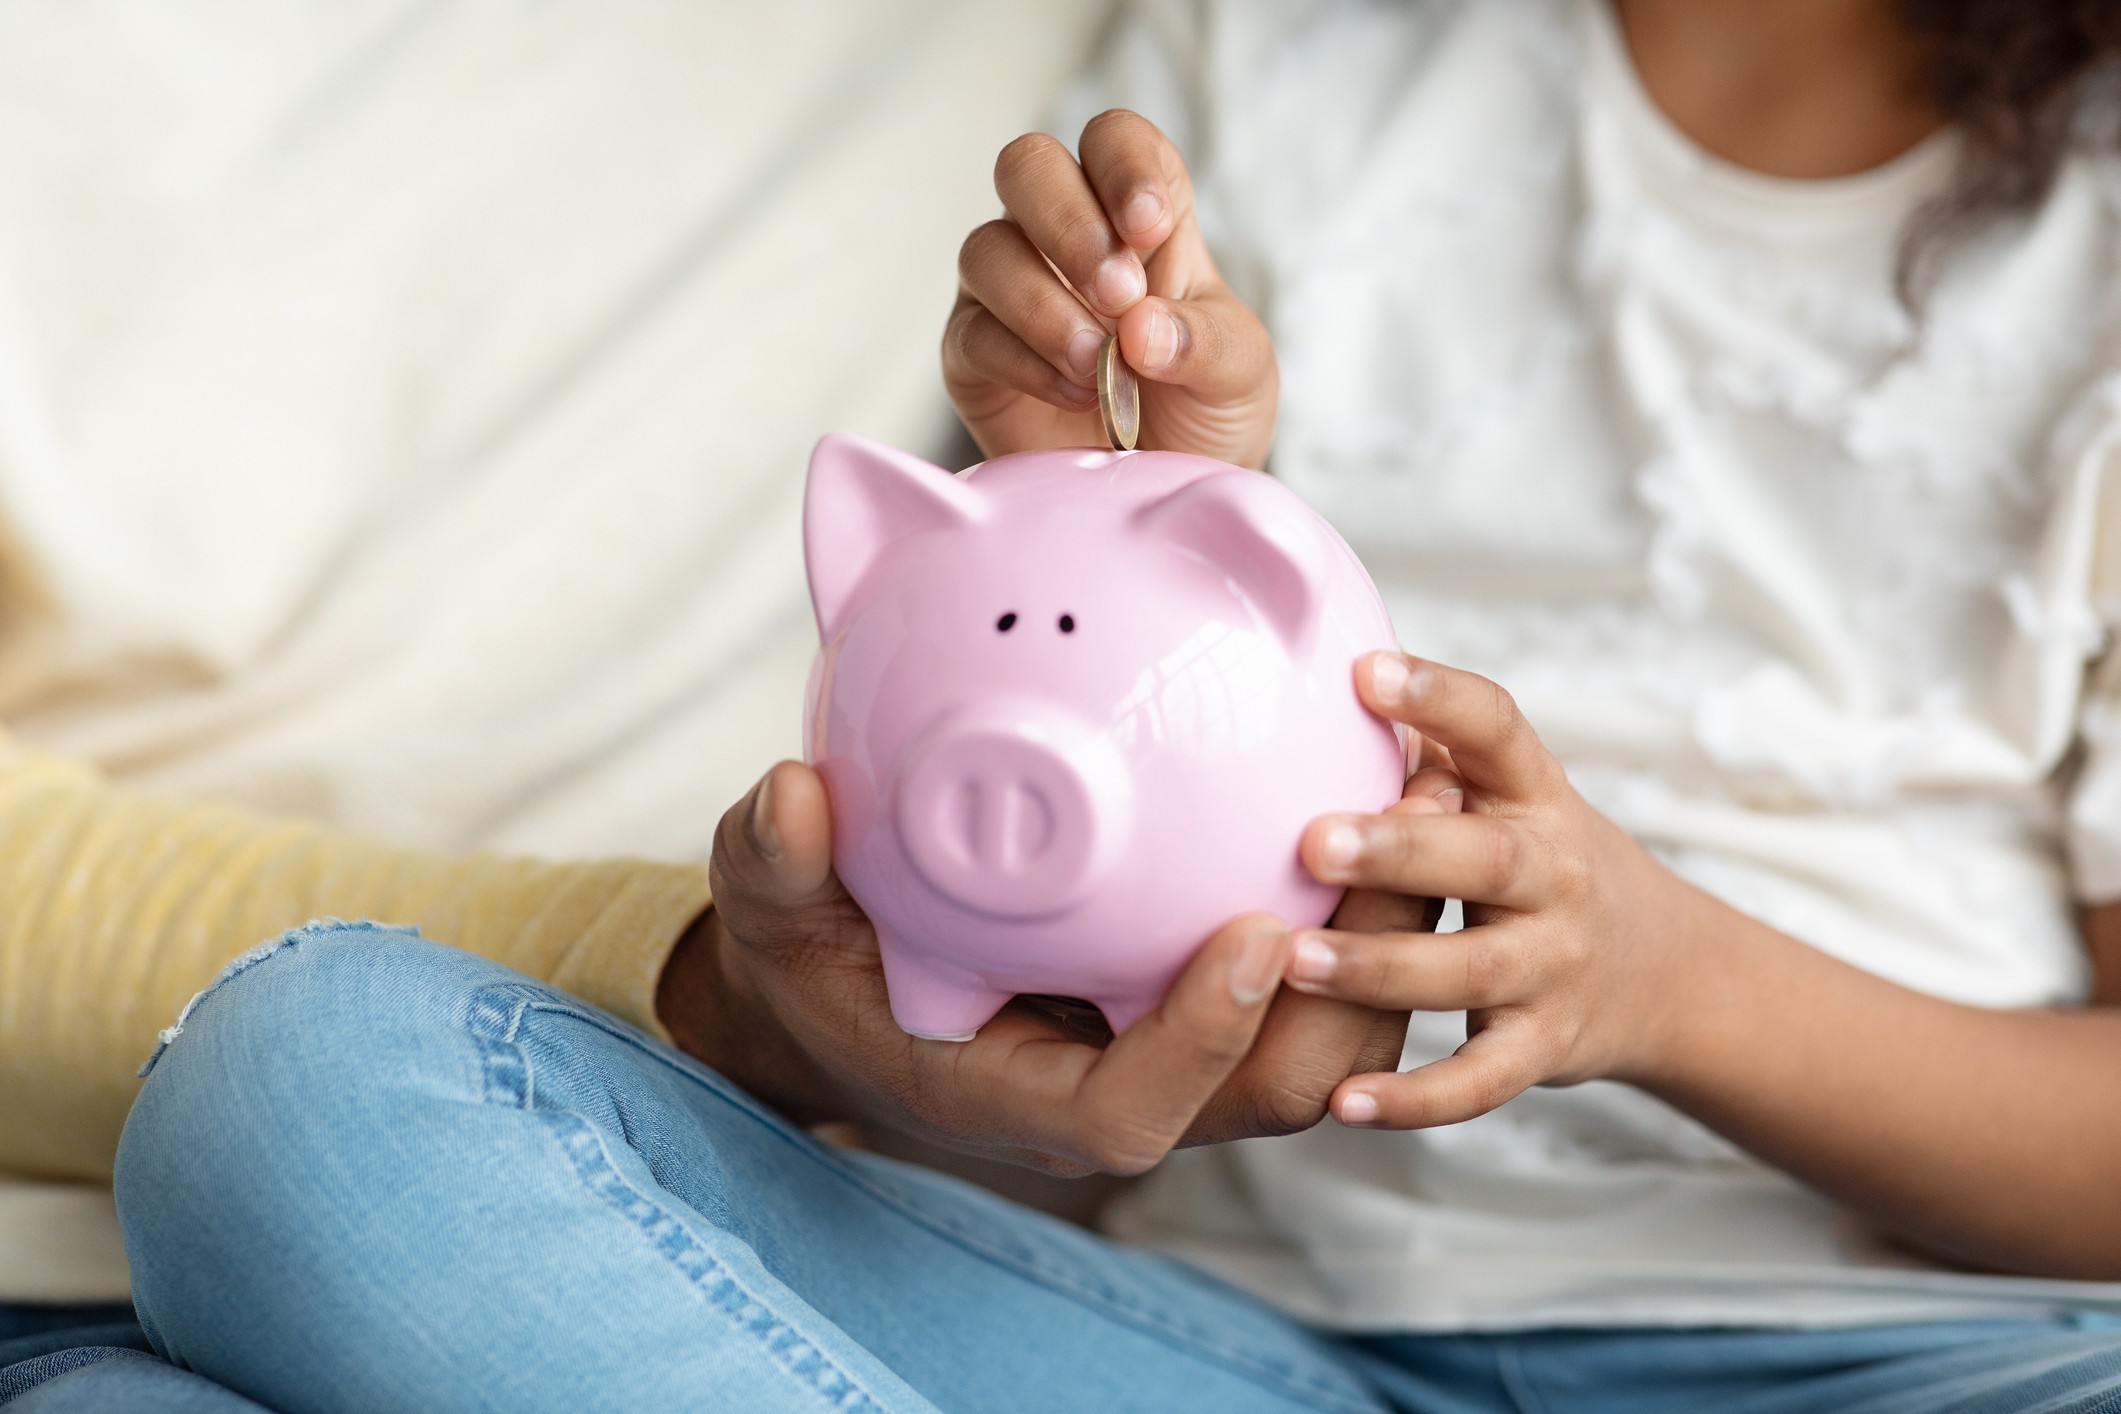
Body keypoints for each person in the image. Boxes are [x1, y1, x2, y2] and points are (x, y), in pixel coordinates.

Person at [24, 0, 2121, 1409]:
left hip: (1919, 1350)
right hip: (1229, 1329)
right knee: (293, 1089)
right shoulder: (1264, 55)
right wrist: (1120, 488)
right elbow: (1121, 777)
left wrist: (1664, 980)